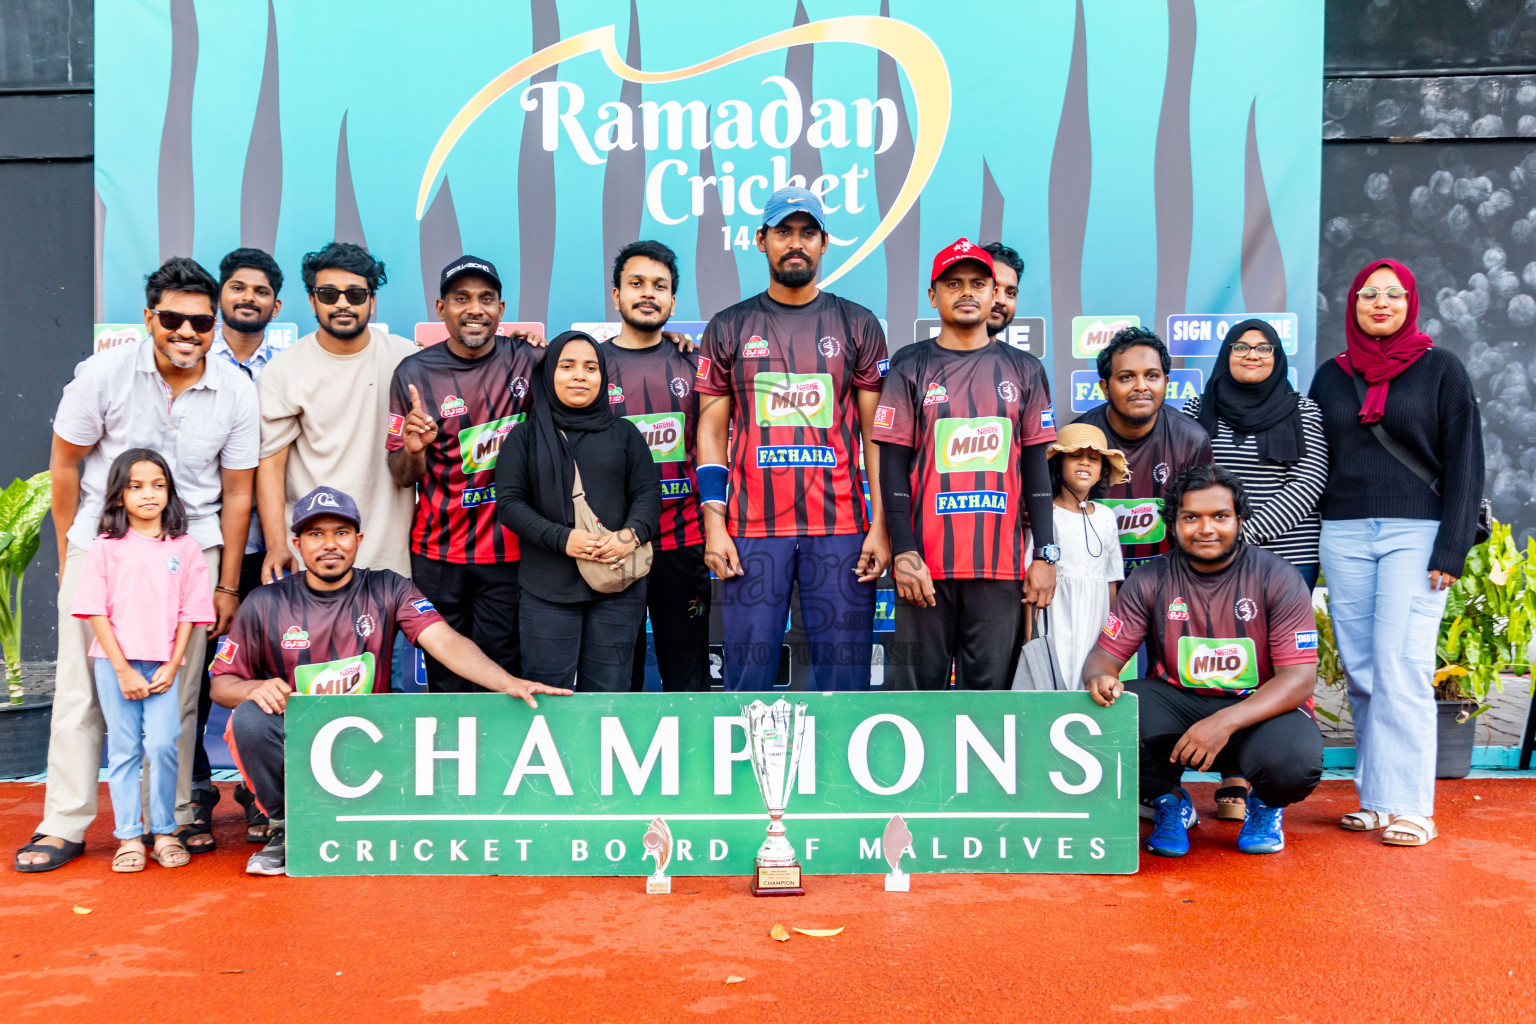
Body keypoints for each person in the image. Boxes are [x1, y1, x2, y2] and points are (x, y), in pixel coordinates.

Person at [16, 257, 257, 874]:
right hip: (104, 551)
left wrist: (228, 582)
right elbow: (66, 465)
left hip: (189, 551)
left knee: (175, 696)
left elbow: (236, 494)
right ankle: (65, 823)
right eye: (172, 318)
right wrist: (75, 547)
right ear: (149, 317)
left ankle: (168, 820)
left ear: (214, 323)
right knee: (80, 694)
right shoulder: (102, 375)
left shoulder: (235, 390)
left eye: (200, 322)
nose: (187, 332)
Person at [212, 486, 570, 875]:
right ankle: (287, 827)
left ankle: (365, 820)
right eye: (316, 534)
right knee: (248, 718)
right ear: (297, 542)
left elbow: (444, 640)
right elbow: (220, 684)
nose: (329, 544)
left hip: (372, 744)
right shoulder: (265, 602)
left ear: (358, 540)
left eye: (341, 533)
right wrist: (253, 688)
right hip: (298, 746)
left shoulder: (387, 587)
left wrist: (505, 682)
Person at [1309, 258, 1485, 849]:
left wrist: (1452, 545)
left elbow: (1466, 461)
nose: (1379, 303)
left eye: (1392, 294)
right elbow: (1315, 462)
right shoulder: (1331, 377)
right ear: (1352, 304)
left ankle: (1414, 805)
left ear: (1410, 301)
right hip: (1345, 532)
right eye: (1367, 294)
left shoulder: (1442, 370)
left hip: (1416, 532)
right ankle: (1378, 799)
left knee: (1401, 663)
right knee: (1361, 669)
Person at [695, 186, 890, 691]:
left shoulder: (858, 323)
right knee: (748, 678)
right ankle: (749, 769)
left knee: (844, 681)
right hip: (752, 528)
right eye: (784, 232)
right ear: (761, 240)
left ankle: (841, 773)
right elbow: (711, 434)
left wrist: (882, 525)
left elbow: (877, 438)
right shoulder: (728, 326)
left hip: (844, 527)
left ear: (825, 243)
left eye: (808, 233)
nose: (795, 243)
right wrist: (715, 527)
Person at [1083, 464, 1324, 858]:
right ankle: (1168, 801)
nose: (1206, 529)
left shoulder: (1278, 578)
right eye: (1191, 517)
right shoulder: (1148, 578)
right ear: (1173, 524)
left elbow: (1298, 680)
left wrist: (1222, 723)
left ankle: (1264, 805)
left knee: (1294, 762)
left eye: (1220, 516)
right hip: (1179, 704)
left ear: (1240, 520)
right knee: (1111, 716)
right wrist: (1100, 677)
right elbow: (1104, 656)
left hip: (1259, 708)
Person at [874, 239, 1058, 690]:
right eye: (953, 284)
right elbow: (892, 466)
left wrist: (1047, 553)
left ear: (995, 294)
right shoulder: (910, 365)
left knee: (991, 702)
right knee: (916, 702)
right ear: (933, 296)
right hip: (925, 567)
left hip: (1000, 567)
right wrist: (904, 551)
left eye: (979, 283)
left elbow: (1036, 470)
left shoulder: (1026, 369)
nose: (967, 293)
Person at [386, 256, 543, 692]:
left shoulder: (528, 359)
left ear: (501, 308)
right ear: (441, 309)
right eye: (461, 299)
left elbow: (593, 366)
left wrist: (672, 343)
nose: (475, 308)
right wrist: (414, 451)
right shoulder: (412, 373)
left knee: (502, 674)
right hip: (438, 554)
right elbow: (401, 474)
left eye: (485, 299)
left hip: (508, 553)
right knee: (446, 678)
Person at [71, 450, 215, 872]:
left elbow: (192, 612)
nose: (148, 494)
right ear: (119, 496)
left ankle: (165, 831)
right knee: (123, 751)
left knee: (163, 744)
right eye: (135, 486)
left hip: (163, 669)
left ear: (169, 492)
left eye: (157, 485)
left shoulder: (186, 548)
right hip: (115, 666)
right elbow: (95, 611)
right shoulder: (104, 548)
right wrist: (121, 669)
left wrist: (173, 665)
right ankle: (130, 837)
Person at [496, 332, 662, 691]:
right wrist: (563, 539)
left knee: (608, 695)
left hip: (618, 585)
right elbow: (510, 505)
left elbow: (648, 494)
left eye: (590, 367)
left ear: (602, 377)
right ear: (548, 375)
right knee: (547, 695)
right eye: (566, 366)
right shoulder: (524, 438)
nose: (579, 376)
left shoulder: (625, 433)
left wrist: (629, 536)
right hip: (546, 590)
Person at [204, 246, 287, 842]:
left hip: (271, 545)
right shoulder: (189, 361)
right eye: (237, 288)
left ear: (276, 305)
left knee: (272, 670)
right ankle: (194, 796)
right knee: (194, 676)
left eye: (259, 291)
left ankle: (264, 795)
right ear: (220, 296)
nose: (248, 299)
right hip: (202, 544)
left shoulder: (283, 370)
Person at [603, 241, 711, 691]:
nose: (648, 294)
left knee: (687, 679)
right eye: (636, 284)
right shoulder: (586, 365)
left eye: (659, 286)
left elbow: (714, 449)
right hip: (612, 547)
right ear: (616, 295)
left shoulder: (695, 363)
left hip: (683, 543)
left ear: (672, 300)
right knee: (615, 683)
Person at [1183, 319, 1328, 591]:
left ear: (1277, 357)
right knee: (1219, 634)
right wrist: (1216, 538)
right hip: (1211, 553)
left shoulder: (1302, 410)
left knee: (1281, 634)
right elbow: (1184, 480)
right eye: (1241, 347)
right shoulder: (1197, 410)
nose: (1252, 355)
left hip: (1289, 555)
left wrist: (1241, 535)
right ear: (1227, 355)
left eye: (1264, 348)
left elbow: (1308, 483)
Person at [1072, 326, 1213, 574]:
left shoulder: (1191, 440)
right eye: (1127, 377)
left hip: (1167, 581)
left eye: (1152, 376)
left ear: (1166, 382)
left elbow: (1201, 521)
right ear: (1105, 387)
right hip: (1093, 581)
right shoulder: (1079, 438)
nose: (1141, 386)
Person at [1044, 423, 1128, 684]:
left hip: (1097, 611)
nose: (1085, 463)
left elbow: (1112, 579)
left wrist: (1112, 633)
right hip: (1057, 612)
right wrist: (1030, 638)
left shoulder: (1105, 515)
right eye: (1075, 456)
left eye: (1093, 458)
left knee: (1090, 676)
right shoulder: (1047, 514)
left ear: (1103, 468)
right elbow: (1032, 583)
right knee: (1057, 676)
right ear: (1058, 464)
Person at [982, 241, 1023, 341]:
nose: (1001, 300)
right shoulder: (936, 356)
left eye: (1010, 293)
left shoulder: (1021, 357)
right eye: (993, 287)